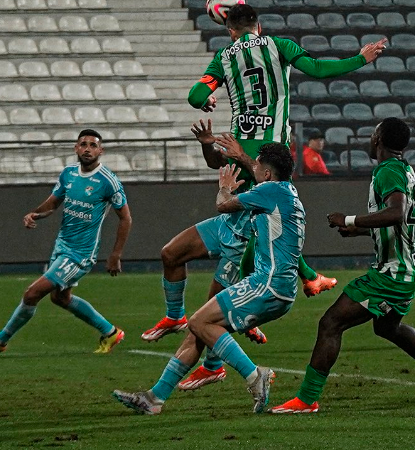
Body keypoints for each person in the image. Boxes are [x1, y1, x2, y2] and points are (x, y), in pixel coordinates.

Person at [140, 2, 385, 345]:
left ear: (230, 30)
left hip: (239, 160)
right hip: (271, 160)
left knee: (246, 243)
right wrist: (361, 58)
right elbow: (317, 69)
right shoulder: (278, 45)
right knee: (261, 230)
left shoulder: (224, 57)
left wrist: (205, 102)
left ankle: (215, 341)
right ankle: (301, 283)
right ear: (260, 25)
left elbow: (196, 94)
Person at [270, 117, 415, 414]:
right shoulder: (405, 170)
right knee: (386, 327)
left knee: (331, 323)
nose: (370, 139)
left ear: (379, 139)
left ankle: (306, 399)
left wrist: (349, 220)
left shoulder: (388, 171)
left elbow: (396, 214)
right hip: (408, 266)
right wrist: (358, 230)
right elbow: (399, 221)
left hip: (392, 273)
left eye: (373, 133)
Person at [113, 143, 305, 415]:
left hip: (267, 285)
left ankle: (254, 376)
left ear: (267, 174)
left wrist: (224, 186)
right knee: (200, 330)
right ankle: (154, 399)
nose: (255, 170)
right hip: (279, 288)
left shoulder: (268, 190)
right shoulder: (290, 195)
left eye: (257, 166)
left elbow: (223, 205)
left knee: (198, 321)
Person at [0, 130, 131, 354]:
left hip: (80, 253)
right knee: (60, 298)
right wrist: (35, 214)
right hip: (62, 246)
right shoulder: (68, 174)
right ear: (76, 148)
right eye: (83, 144)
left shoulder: (108, 181)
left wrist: (116, 254)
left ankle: (1, 339)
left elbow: (126, 218)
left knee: (32, 293)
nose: (87, 149)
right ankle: (111, 333)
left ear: (100, 151)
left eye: (93, 145)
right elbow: (54, 202)